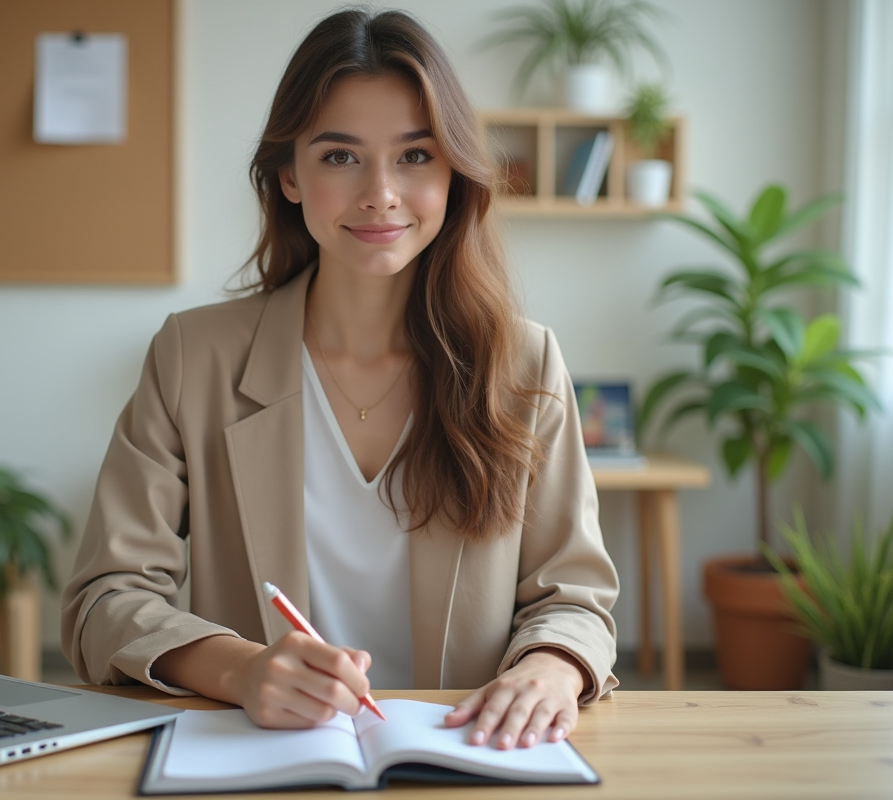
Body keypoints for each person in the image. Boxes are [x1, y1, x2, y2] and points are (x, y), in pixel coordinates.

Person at [62, 7, 618, 751]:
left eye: (416, 157)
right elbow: (105, 597)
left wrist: (550, 668)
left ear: (455, 172)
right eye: (340, 157)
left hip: (466, 760)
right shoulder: (194, 355)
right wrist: (242, 670)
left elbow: (576, 597)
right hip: (262, 758)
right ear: (289, 174)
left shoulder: (523, 363)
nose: (380, 192)